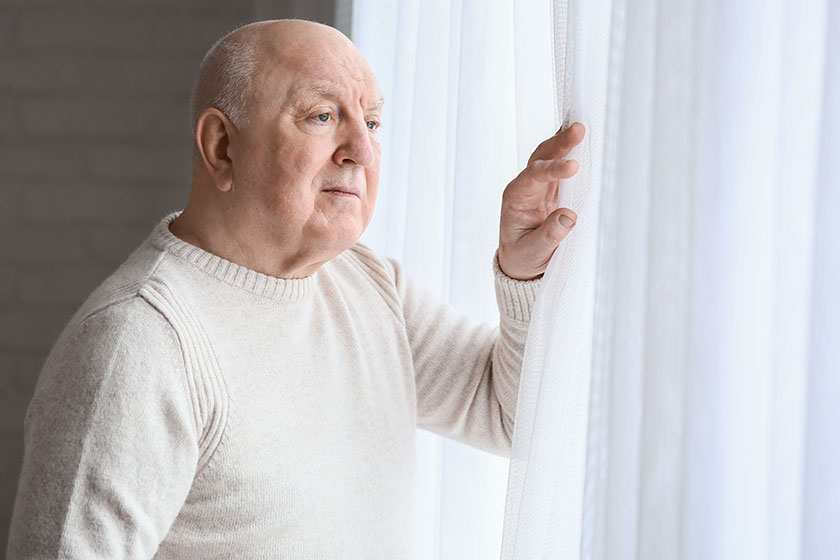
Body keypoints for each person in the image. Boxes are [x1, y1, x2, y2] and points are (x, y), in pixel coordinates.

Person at [6, 19, 584, 559]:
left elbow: (514, 416)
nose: (362, 149)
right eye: (320, 116)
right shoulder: (137, 345)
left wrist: (524, 276)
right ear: (222, 147)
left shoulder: (368, 286)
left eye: (373, 122)